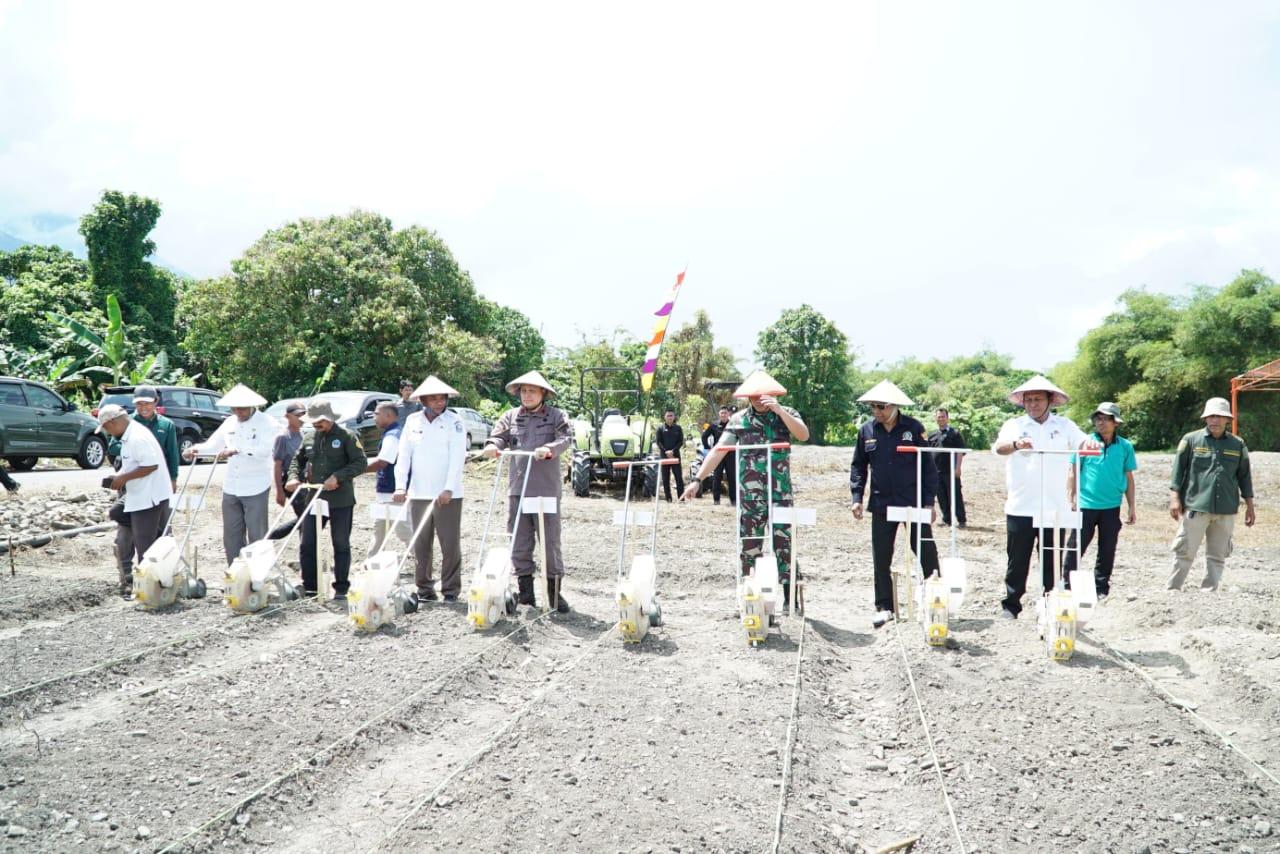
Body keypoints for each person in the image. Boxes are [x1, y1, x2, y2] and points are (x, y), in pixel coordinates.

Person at [681, 370, 809, 608]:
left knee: (784, 544)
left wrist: (779, 410)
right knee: (750, 544)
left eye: (764, 395)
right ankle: (750, 597)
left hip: (781, 494)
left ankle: (790, 600)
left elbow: (803, 434)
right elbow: (719, 449)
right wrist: (697, 480)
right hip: (751, 497)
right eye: (755, 396)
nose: (760, 399)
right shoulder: (739, 419)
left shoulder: (787, 414)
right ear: (747, 397)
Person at [992, 375, 1099, 619]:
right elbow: (999, 448)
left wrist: (1092, 446)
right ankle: (1011, 605)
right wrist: (1017, 444)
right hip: (1021, 506)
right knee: (1017, 560)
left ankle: (1049, 603)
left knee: (1051, 559)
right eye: (1028, 400)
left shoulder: (1064, 425)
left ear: (1049, 400)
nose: (1033, 404)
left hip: (1054, 507)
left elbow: (1084, 442)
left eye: (1038, 399)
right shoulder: (1014, 425)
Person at [849, 380, 940, 629]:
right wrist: (856, 497)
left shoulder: (914, 428)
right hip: (881, 502)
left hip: (913, 501)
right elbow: (858, 465)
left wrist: (929, 502)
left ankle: (935, 599)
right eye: (872, 407)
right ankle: (884, 606)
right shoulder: (867, 431)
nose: (876, 412)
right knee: (881, 557)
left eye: (880, 407)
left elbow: (928, 468)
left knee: (926, 551)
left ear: (893, 406)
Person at [483, 370, 574, 612]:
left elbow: (565, 439)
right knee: (519, 542)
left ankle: (554, 595)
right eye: (524, 391)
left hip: (545, 490)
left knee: (550, 542)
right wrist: (493, 446)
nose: (527, 395)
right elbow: (497, 437)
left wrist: (549, 448)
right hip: (518, 490)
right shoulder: (511, 416)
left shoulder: (556, 416)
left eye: (532, 390)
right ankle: (526, 595)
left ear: (543, 393)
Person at [1168, 397, 1255, 592]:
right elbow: (1178, 471)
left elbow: (1244, 476)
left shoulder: (1237, 444)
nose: (1214, 420)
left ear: (1227, 420)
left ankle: (1209, 591)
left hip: (1226, 509)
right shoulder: (1191, 440)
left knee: (1218, 554)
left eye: (1219, 416)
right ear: (1205, 418)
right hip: (1196, 507)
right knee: (1185, 551)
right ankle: (1172, 591)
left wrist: (1250, 506)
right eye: (1211, 416)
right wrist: (1175, 498)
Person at [185, 384, 277, 564]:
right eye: (234, 408)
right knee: (231, 535)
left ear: (252, 406)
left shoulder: (267, 422)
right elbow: (213, 445)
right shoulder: (230, 422)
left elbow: (264, 451)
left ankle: (258, 576)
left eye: (242, 408)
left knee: (257, 535)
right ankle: (235, 574)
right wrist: (195, 449)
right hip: (231, 487)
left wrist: (237, 449)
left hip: (255, 486)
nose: (238, 412)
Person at [394, 376, 468, 601]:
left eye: (442, 398)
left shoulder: (455, 422)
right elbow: (404, 455)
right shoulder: (413, 421)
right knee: (421, 544)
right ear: (423, 399)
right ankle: (425, 589)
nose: (438, 402)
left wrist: (448, 488)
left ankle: (451, 590)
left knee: (449, 544)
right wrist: (400, 486)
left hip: (448, 495)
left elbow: (458, 457)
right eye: (433, 398)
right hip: (419, 493)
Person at [287, 400, 367, 599]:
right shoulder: (309, 437)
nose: (317, 425)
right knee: (307, 544)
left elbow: (360, 463)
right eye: (313, 422)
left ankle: (341, 588)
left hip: (341, 499)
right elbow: (297, 461)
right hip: (314, 498)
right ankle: (311, 587)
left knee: (340, 543)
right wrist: (293, 477)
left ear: (330, 418)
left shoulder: (347, 436)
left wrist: (338, 476)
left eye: (320, 421)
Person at [1064, 402, 1138, 601]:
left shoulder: (1125, 446)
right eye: (1098, 418)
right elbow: (1073, 470)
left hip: (1112, 507)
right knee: (1075, 547)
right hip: (1086, 505)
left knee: (1107, 549)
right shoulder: (1085, 443)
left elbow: (1128, 477)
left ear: (1116, 423)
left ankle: (1101, 587)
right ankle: (1066, 585)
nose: (1101, 423)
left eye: (1106, 419)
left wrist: (1131, 506)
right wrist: (1070, 497)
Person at [96, 404, 173, 596]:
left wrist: (123, 478)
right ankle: (150, 582)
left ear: (112, 422)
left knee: (144, 545)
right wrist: (118, 476)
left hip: (149, 497)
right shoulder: (129, 435)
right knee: (117, 513)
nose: (107, 432)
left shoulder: (137, 436)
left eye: (106, 428)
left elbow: (150, 465)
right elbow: (133, 464)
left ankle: (150, 588)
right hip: (140, 495)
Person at [109, 386, 180, 590]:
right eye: (139, 403)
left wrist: (173, 478)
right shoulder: (127, 423)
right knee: (127, 529)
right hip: (131, 484)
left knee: (163, 528)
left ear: (155, 402)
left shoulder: (166, 425)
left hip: (158, 483)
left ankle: (163, 572)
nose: (143, 407)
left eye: (147, 403)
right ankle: (127, 574)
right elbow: (113, 446)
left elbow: (172, 454)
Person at [367, 401, 412, 558]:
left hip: (393, 492)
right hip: (387, 491)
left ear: (388, 415)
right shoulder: (393, 433)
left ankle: (422, 565)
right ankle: (370, 563)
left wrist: (356, 469)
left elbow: (383, 461)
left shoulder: (393, 435)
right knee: (380, 530)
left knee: (404, 530)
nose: (374, 418)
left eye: (376, 414)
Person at [267, 401, 308, 540]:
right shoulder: (283, 437)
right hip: (291, 481)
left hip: (305, 482)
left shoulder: (303, 435)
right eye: (297, 415)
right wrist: (279, 491)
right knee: (306, 517)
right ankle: (271, 536)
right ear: (288, 416)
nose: (301, 417)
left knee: (308, 517)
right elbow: (277, 465)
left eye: (303, 414)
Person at [927, 408, 967, 528]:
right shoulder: (932, 435)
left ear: (947, 418)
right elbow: (928, 453)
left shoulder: (955, 433)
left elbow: (960, 452)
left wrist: (958, 468)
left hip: (950, 471)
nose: (941, 419)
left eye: (943, 416)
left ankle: (961, 519)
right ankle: (947, 519)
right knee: (941, 496)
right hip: (936, 471)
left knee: (955, 495)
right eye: (938, 417)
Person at [700, 406, 736, 505]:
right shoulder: (714, 425)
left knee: (732, 477)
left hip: (731, 454)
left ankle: (733, 500)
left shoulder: (733, 424)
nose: (723, 415)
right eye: (722, 413)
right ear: (719, 414)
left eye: (725, 413)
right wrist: (707, 448)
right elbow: (704, 436)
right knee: (717, 477)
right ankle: (716, 500)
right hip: (718, 455)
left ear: (728, 414)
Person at [654, 408, 686, 502]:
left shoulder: (678, 428)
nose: (669, 417)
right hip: (664, 457)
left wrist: (673, 451)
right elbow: (658, 442)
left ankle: (681, 498)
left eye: (671, 415)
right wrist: (666, 452)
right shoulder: (660, 428)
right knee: (665, 478)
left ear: (674, 417)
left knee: (679, 478)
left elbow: (680, 442)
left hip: (675, 456)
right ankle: (668, 498)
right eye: (668, 415)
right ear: (664, 417)